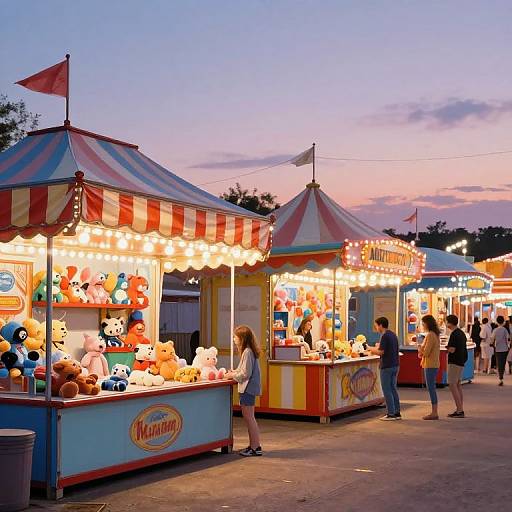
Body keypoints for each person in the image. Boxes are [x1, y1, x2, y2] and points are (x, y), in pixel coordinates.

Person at [225, 325, 262, 456]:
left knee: (249, 417)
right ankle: (254, 445)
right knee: (250, 417)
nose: (234, 339)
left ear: (242, 338)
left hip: (247, 388)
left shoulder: (247, 352)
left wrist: (231, 375)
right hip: (249, 388)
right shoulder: (249, 351)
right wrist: (235, 372)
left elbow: (245, 374)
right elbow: (244, 370)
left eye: (235, 337)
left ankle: (255, 447)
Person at [367, 317, 401, 420]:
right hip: (395, 365)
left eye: (376, 325)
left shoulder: (385, 336)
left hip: (387, 366)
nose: (376, 328)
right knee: (393, 388)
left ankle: (390, 413)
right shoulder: (393, 334)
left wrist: (370, 349)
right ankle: (397, 412)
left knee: (387, 389)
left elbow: (381, 352)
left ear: (381, 325)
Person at [418, 315, 440, 420]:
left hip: (430, 364)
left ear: (427, 324)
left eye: (423, 323)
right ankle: (434, 411)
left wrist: (420, 348)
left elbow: (426, 352)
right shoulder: (433, 334)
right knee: (431, 387)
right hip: (432, 364)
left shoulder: (430, 335)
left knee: (431, 388)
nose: (422, 325)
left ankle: (434, 412)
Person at [446, 315, 468, 418]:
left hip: (454, 362)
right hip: (461, 361)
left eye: (447, 322)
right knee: (458, 385)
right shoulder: (461, 333)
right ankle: (460, 408)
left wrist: (447, 348)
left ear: (450, 323)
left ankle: (459, 410)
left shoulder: (454, 334)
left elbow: (452, 349)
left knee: (452, 384)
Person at [491, 316, 510, 386]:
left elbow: (492, 338)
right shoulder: (505, 330)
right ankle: (501, 375)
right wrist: (508, 346)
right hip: (505, 349)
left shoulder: (495, 330)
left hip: (498, 349)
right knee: (503, 362)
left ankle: (500, 378)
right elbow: (508, 339)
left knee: (499, 363)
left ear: (497, 321)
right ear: (503, 322)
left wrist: (492, 343)